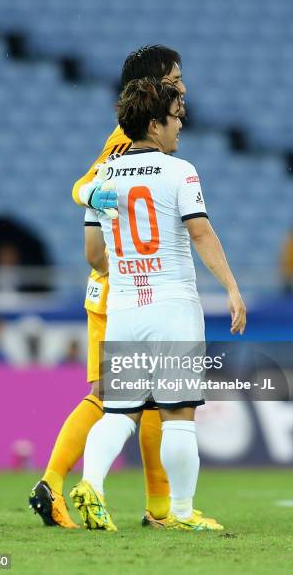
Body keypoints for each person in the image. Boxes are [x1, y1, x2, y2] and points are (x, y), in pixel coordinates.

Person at [69, 79, 246, 531]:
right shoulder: (179, 170)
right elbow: (200, 233)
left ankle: (92, 484)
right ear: (154, 123)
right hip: (172, 306)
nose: (181, 121)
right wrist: (230, 286)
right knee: (178, 415)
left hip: (125, 308)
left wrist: (129, 269)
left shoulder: (103, 177)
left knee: (119, 412)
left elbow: (92, 254)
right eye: (175, 114)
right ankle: (182, 513)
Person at [29, 46, 189, 529]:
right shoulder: (127, 140)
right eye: (176, 80)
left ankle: (157, 507)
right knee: (113, 396)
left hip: (126, 288)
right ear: (155, 86)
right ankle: (54, 483)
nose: (184, 87)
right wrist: (88, 194)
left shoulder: (146, 141)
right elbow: (85, 184)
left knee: (143, 397)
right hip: (121, 289)